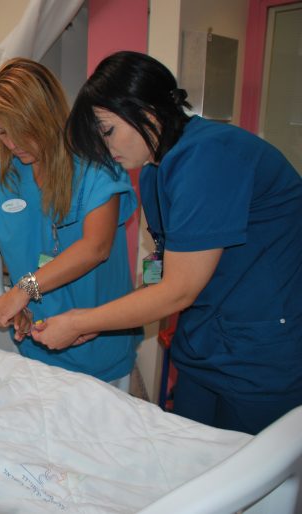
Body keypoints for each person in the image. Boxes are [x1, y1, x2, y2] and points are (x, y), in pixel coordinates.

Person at [34, 50, 302, 435]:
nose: (107, 148)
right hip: (206, 344)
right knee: (192, 456)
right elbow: (160, 267)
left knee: (251, 467)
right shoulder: (155, 171)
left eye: (108, 131)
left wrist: (80, 321)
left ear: (146, 109)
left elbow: (179, 290)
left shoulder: (209, 155)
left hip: (261, 351)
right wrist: (105, 319)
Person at [0, 57, 141, 387]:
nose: (12, 144)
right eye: (1, 132)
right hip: (37, 349)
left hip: (99, 348)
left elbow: (96, 247)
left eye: (20, 131)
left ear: (45, 116)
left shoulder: (96, 164)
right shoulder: (1, 175)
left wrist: (23, 290)